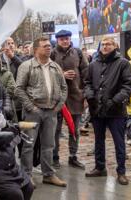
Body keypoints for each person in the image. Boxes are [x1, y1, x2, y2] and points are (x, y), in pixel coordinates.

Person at [15, 36, 68, 187]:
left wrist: (58, 107)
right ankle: (26, 175)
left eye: (49, 45)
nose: (48, 47)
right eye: (44, 46)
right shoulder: (27, 66)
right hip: (32, 112)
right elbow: (19, 89)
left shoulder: (55, 66)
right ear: (36, 49)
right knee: (28, 145)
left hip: (51, 112)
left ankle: (48, 175)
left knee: (49, 145)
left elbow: (64, 88)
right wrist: (32, 108)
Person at [83, 37, 131, 185]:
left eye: (109, 44)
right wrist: (90, 96)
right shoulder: (94, 64)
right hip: (97, 109)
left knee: (119, 142)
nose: (105, 47)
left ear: (115, 46)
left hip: (116, 110)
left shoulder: (122, 63)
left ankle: (121, 171)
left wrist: (115, 100)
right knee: (98, 140)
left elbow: (129, 86)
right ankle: (100, 167)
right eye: (103, 44)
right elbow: (87, 83)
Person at [50, 30, 88, 169]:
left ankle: (73, 156)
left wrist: (85, 95)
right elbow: (47, 73)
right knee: (55, 130)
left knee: (75, 129)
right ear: (58, 40)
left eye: (67, 39)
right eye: (62, 39)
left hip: (76, 97)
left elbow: (86, 73)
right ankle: (55, 157)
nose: (65, 41)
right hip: (57, 99)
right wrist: (62, 74)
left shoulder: (77, 53)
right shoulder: (52, 54)